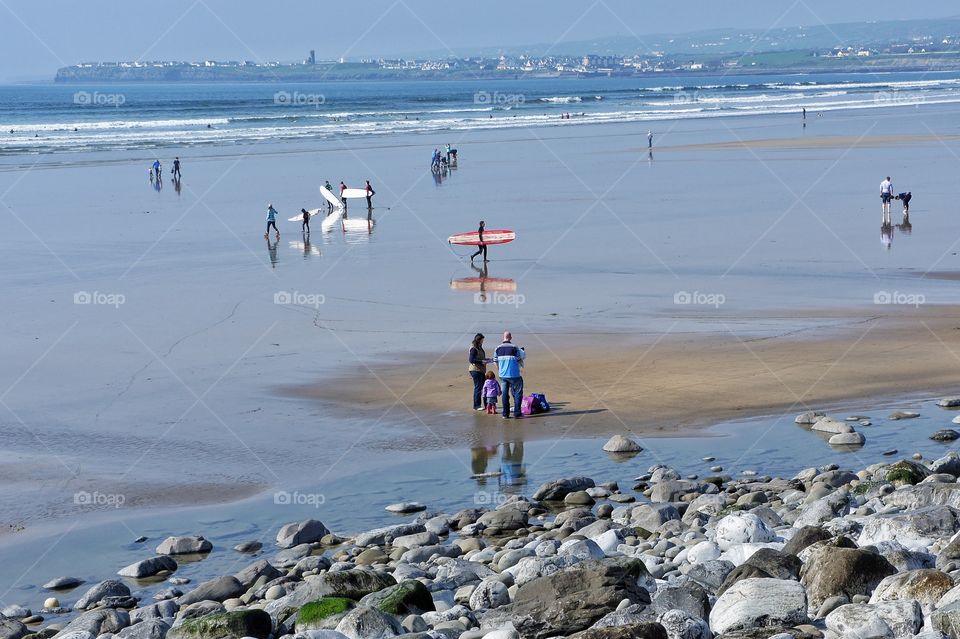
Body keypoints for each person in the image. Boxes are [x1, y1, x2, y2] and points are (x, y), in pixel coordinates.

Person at [495, 331, 525, 419]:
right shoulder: (514, 347)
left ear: (503, 337)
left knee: (505, 394)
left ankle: (505, 414)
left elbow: (495, 361)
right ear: (510, 337)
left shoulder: (497, 348)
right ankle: (517, 413)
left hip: (503, 375)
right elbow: (519, 358)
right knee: (518, 393)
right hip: (514, 374)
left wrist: (499, 369)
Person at [468, 333, 487, 411]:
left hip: (481, 370)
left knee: (483, 387)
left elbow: (480, 357)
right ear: (479, 340)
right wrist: (482, 361)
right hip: (475, 370)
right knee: (478, 387)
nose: (483, 341)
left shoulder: (480, 347)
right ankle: (476, 405)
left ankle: (486, 404)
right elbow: (471, 360)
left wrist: (486, 360)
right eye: (482, 339)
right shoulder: (473, 348)